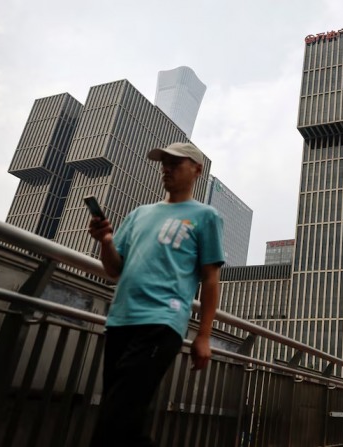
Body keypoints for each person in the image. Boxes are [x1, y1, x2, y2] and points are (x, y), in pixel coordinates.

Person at [88, 141, 225, 447]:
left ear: (197, 170)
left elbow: (211, 279)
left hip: (161, 323)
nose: (166, 168)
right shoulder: (139, 214)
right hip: (120, 320)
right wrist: (106, 241)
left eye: (175, 163)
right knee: (124, 417)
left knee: (115, 416)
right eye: (164, 163)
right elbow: (114, 269)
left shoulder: (206, 216)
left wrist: (204, 336)